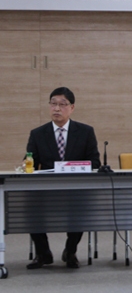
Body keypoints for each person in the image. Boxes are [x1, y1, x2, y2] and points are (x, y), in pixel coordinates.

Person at [26, 87, 100, 269]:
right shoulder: (37, 134)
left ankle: (70, 251)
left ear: (72, 107)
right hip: (46, 189)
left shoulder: (85, 132)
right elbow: (31, 161)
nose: (57, 108)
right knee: (30, 208)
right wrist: (25, 164)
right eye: (53, 104)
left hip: (75, 188)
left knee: (81, 208)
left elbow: (95, 162)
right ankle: (43, 253)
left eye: (62, 104)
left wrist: (73, 167)